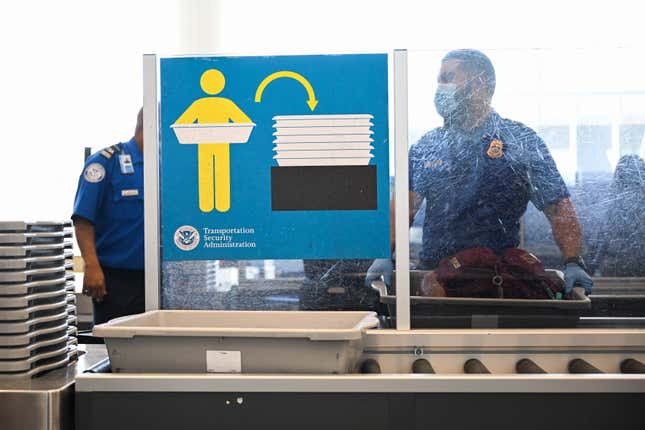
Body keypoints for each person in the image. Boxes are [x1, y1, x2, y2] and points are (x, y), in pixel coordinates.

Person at [367, 49, 593, 296]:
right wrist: (383, 253)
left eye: (448, 77)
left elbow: (559, 209)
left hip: (497, 280)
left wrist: (573, 261)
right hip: (436, 280)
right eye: (438, 80)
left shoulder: (521, 142)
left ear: (479, 83)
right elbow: (403, 206)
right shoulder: (428, 145)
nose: (440, 88)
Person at [72, 108, 145, 324]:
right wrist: (91, 266)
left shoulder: (165, 165)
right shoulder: (106, 162)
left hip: (158, 278)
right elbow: (83, 219)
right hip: (114, 279)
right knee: (115, 350)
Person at [591, 154, 645, 276]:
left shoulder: (609, 206)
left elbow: (597, 246)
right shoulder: (611, 207)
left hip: (613, 268)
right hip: (618, 270)